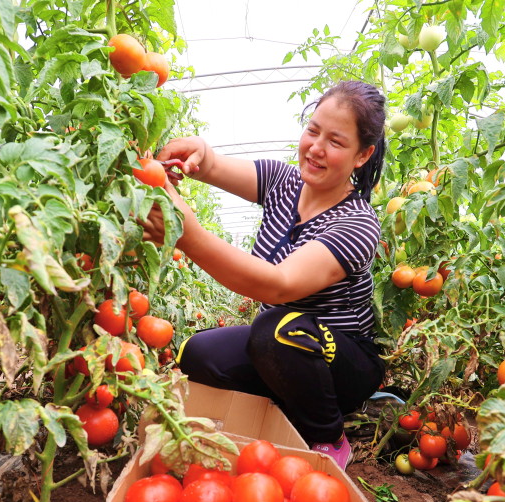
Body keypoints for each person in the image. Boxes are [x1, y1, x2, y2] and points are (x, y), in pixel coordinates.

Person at [140, 80, 388, 470]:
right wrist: (197, 153)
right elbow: (214, 165)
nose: (316, 148)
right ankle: (284, 408)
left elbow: (278, 284)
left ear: (363, 154)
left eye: (336, 142)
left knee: (276, 328)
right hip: (282, 344)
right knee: (198, 354)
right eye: (313, 130)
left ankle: (328, 437)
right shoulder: (282, 182)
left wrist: (188, 236)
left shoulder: (358, 223)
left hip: (343, 361)